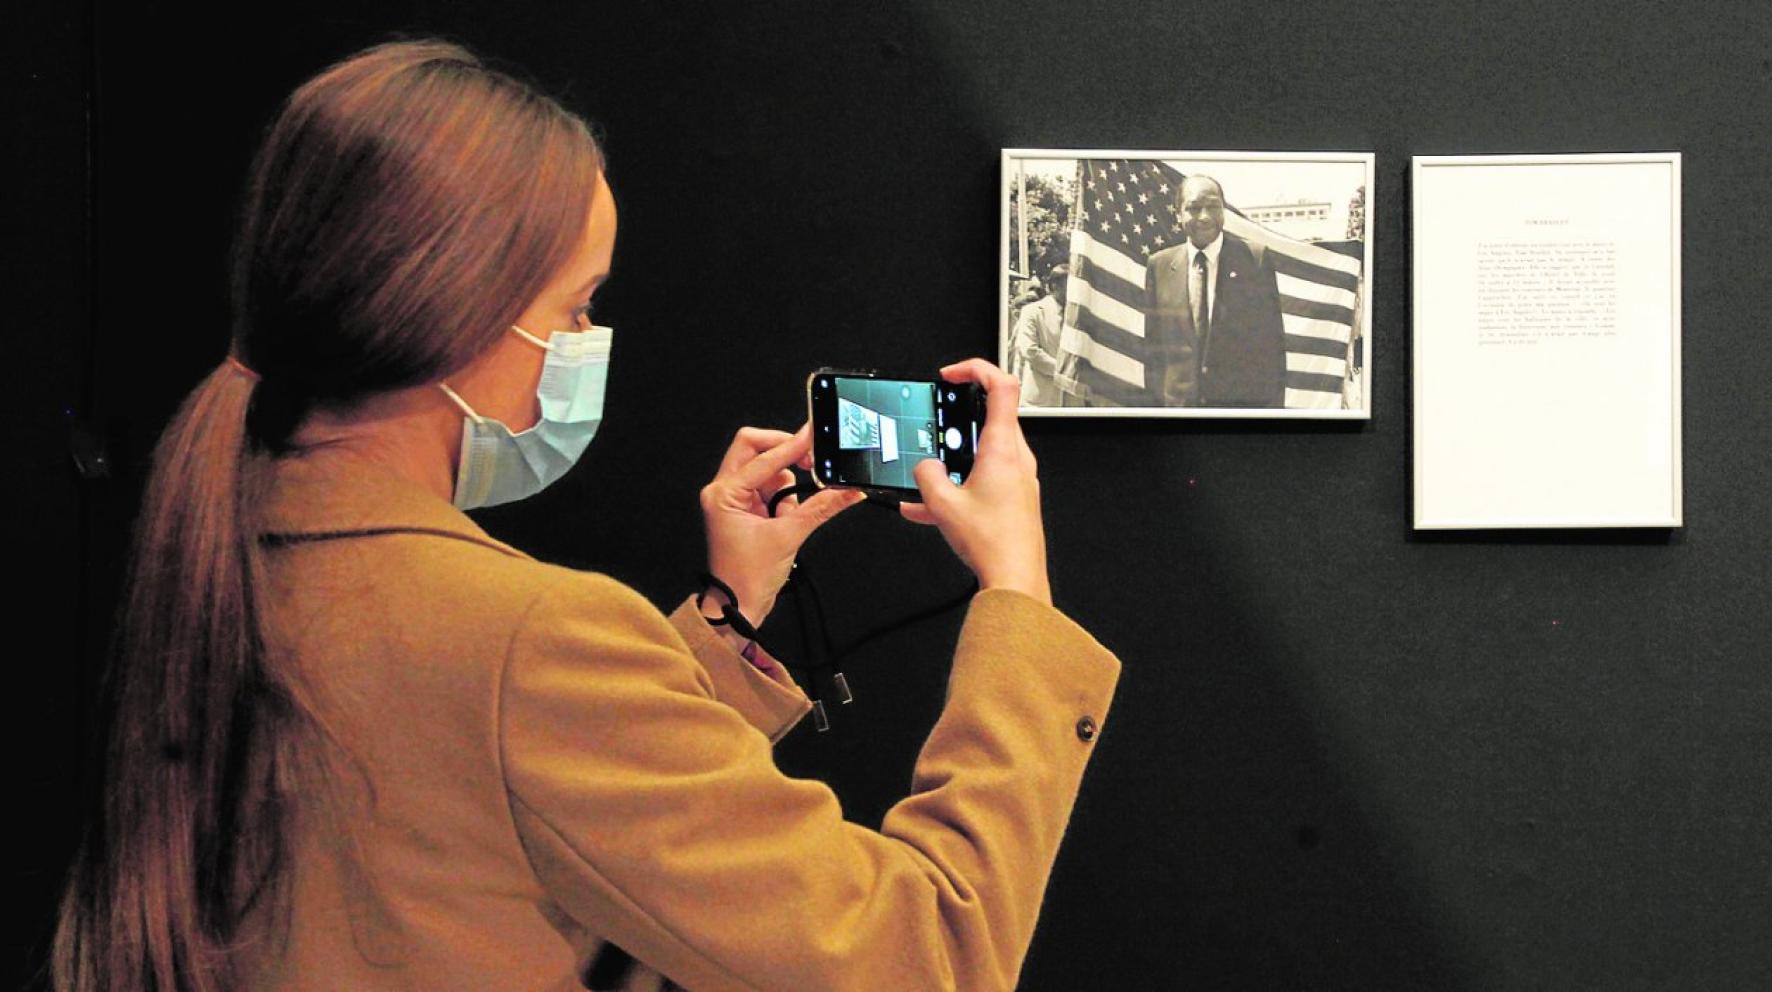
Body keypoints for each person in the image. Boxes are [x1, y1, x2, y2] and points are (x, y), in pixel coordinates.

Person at [51, 39, 1120, 992]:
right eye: (578, 307)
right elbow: (929, 955)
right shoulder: (528, 638)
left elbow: (492, 810)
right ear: (457, 311)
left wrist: (727, 610)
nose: (586, 340)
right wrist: (1018, 590)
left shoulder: (226, 545)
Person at [1141, 175, 1287, 407]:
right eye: (1194, 208)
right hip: (1178, 410)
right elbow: (1153, 350)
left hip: (1238, 409)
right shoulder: (1159, 266)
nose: (1205, 216)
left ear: (1223, 210)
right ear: (1179, 213)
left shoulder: (1255, 260)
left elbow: (1273, 349)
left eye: (1213, 207)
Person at [1012, 263, 1079, 406]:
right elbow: (1029, 351)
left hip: (1072, 402)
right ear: (1055, 286)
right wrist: (1064, 371)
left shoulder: (1078, 315)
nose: (1075, 290)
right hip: (1041, 401)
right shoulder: (1032, 311)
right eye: (1070, 285)